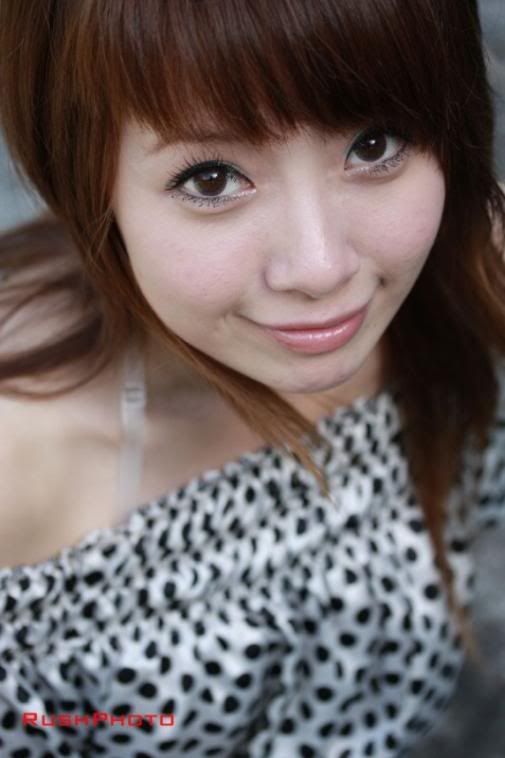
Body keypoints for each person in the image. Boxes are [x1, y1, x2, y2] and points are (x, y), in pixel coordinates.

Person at [0, 1, 504, 756]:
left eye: (374, 143)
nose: (320, 269)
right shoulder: (19, 459)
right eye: (211, 179)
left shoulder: (468, 279)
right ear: (85, 182)